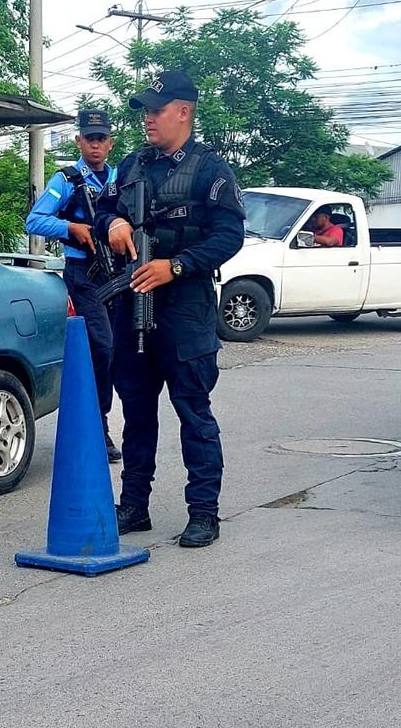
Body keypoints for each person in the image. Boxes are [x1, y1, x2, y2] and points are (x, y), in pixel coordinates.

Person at [95, 70, 245, 548]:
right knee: (136, 414)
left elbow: (229, 236)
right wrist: (115, 222)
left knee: (193, 412)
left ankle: (204, 512)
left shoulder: (209, 169)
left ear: (184, 111)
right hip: (133, 302)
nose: (148, 119)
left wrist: (176, 266)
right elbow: (101, 210)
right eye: (145, 111)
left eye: (156, 110)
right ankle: (134, 506)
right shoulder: (132, 165)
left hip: (184, 310)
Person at [25, 108, 121, 463]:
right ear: (79, 141)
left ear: (109, 143)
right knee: (103, 347)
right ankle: (99, 427)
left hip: (118, 276)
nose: (95, 145)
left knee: (123, 352)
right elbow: (34, 221)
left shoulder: (120, 179)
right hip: (84, 277)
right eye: (89, 139)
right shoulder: (66, 180)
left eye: (101, 139)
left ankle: (100, 422)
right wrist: (71, 230)